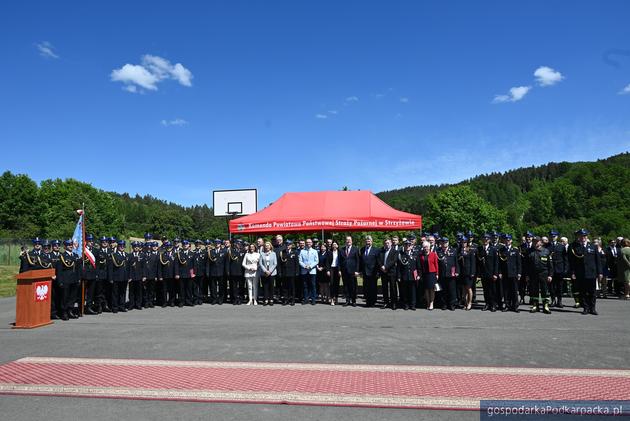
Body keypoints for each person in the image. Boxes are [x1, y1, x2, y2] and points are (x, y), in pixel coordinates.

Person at [569, 229, 602, 315]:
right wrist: (572, 272)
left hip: (591, 272)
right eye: (581, 236)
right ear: (578, 237)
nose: (583, 238)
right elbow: (572, 261)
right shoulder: (574, 247)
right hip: (580, 273)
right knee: (582, 292)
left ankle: (593, 308)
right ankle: (585, 308)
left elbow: (598, 260)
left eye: (584, 236)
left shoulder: (593, 246)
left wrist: (600, 273)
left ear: (587, 237)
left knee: (592, 292)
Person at [528, 237, 553, 314]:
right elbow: (527, 265)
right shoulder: (530, 251)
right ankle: (535, 305)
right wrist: (527, 275)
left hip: (544, 273)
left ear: (540, 242)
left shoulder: (546, 251)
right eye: (534, 241)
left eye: (537, 241)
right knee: (534, 290)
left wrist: (550, 275)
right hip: (533, 274)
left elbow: (550, 265)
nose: (535, 242)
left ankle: (545, 306)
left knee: (544, 290)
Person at [498, 234, 521, 313]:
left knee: (514, 291)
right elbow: (499, 263)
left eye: (508, 240)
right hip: (505, 273)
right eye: (505, 240)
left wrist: (519, 273)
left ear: (511, 241)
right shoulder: (501, 250)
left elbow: (519, 263)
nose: (507, 241)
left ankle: (515, 306)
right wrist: (500, 272)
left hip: (513, 273)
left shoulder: (515, 250)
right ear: (504, 241)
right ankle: (507, 305)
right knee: (506, 291)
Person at [478, 233, 500, 311]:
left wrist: (495, 274)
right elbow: (479, 262)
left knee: (493, 290)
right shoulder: (480, 249)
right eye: (484, 239)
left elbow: (496, 262)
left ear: (489, 240)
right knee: (486, 290)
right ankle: (487, 303)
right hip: (484, 273)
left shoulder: (493, 249)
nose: (485, 240)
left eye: (487, 239)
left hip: (491, 273)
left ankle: (493, 304)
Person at [436, 237, 458, 311]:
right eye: (443, 242)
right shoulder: (438, 251)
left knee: (452, 290)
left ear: (448, 243)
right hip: (442, 273)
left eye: (445, 242)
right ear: (441, 243)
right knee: (443, 290)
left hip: (451, 273)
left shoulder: (453, 250)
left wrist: (457, 271)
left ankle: (452, 304)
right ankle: (444, 304)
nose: (444, 244)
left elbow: (456, 262)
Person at [398, 240, 420, 310]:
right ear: (404, 246)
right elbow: (399, 267)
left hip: (413, 276)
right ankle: (406, 304)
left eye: (409, 245)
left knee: (413, 291)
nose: (407, 246)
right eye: (406, 245)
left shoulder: (415, 254)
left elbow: (418, 266)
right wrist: (399, 276)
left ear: (411, 246)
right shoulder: (401, 255)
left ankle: (413, 305)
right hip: (404, 276)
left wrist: (419, 274)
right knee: (405, 291)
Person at [548, 230, 568, 308]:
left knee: (560, 286)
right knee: (551, 286)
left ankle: (559, 301)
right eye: (551, 236)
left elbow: (565, 258)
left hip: (559, 269)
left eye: (554, 236)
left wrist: (565, 269)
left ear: (557, 237)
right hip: (550, 269)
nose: (552, 238)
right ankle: (553, 300)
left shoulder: (561, 246)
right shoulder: (547, 246)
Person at [339, 236, 360, 306]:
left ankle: (353, 301)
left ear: (352, 241)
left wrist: (357, 270)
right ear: (345, 241)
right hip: (344, 271)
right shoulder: (342, 249)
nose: (348, 241)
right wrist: (339, 270)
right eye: (347, 240)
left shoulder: (356, 249)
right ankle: (347, 300)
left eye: (349, 240)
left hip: (353, 271)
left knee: (353, 286)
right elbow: (339, 261)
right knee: (346, 286)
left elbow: (358, 261)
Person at [378, 238, 398, 309]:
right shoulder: (381, 251)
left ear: (391, 243)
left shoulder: (395, 251)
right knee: (384, 288)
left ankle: (394, 303)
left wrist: (386, 267)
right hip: (383, 273)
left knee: (393, 288)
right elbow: (379, 260)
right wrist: (381, 267)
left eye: (388, 243)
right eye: (385, 243)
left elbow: (393, 261)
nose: (387, 244)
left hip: (391, 272)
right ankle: (386, 302)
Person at [360, 236, 380, 307]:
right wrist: (360, 271)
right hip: (365, 272)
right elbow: (361, 262)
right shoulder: (362, 249)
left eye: (369, 241)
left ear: (372, 242)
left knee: (373, 288)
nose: (367, 242)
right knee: (366, 288)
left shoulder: (376, 250)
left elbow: (378, 262)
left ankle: (373, 302)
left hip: (373, 273)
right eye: (366, 241)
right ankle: (368, 302)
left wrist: (378, 272)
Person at [174, 240, 195, 307]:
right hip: (181, 274)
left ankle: (189, 301)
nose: (185, 245)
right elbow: (176, 265)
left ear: (188, 245)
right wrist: (177, 274)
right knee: (181, 289)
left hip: (189, 274)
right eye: (184, 244)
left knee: (189, 289)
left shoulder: (192, 253)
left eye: (186, 244)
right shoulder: (179, 253)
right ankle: (182, 301)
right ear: (182, 245)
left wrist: (193, 273)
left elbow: (194, 265)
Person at [419, 241, 439, 310]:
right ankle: (427, 302)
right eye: (424, 247)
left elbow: (436, 265)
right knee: (426, 289)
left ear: (429, 247)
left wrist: (437, 274)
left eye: (427, 247)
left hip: (432, 274)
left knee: (432, 289)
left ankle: (431, 303)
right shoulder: (421, 255)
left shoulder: (433, 254)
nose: (426, 248)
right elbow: (420, 266)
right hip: (425, 274)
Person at [457, 236, 476, 311]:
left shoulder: (470, 250)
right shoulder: (459, 250)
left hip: (469, 272)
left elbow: (473, 262)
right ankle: (465, 303)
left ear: (467, 243)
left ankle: (470, 303)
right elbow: (457, 260)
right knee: (464, 289)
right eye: (462, 242)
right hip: (462, 272)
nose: (463, 243)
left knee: (469, 288)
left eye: (464, 242)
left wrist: (472, 272)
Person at [299, 238, 319, 305]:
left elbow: (316, 261)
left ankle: (313, 299)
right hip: (304, 271)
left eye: (309, 242)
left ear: (312, 243)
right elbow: (300, 261)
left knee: (313, 285)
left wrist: (310, 266)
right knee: (305, 286)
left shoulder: (315, 251)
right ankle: (306, 299)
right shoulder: (302, 251)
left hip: (312, 271)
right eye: (307, 242)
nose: (308, 243)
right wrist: (305, 266)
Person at [127, 241, 146, 310]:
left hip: (139, 276)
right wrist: (129, 277)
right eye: (135, 246)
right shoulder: (129, 255)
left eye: (137, 246)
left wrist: (144, 276)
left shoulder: (142, 255)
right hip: (131, 277)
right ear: (132, 247)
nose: (136, 248)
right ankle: (131, 304)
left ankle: (138, 304)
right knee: (131, 292)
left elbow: (144, 267)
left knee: (139, 291)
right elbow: (128, 267)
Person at [208, 239, 227, 304]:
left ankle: (221, 299)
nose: (217, 244)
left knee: (221, 287)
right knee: (213, 287)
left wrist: (226, 271)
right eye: (215, 243)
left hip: (221, 272)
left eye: (218, 243)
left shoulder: (224, 251)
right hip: (213, 272)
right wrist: (208, 272)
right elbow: (208, 263)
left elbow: (226, 263)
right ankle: (214, 299)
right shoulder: (211, 252)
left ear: (220, 244)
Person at [280, 240, 299, 305]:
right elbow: (280, 263)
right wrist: (280, 272)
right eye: (287, 245)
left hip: (292, 272)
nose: (288, 246)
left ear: (291, 245)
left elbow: (296, 263)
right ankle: (286, 299)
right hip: (284, 272)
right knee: (285, 287)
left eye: (289, 245)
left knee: (292, 287)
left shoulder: (295, 252)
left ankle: (292, 299)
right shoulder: (282, 252)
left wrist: (297, 272)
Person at [259, 241, 277, 305]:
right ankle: (265, 299)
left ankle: (271, 299)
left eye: (268, 245)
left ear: (270, 246)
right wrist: (265, 271)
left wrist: (270, 271)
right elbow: (260, 263)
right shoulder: (262, 253)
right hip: (264, 273)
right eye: (266, 246)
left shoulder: (273, 253)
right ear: (264, 247)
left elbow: (275, 263)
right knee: (265, 286)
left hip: (272, 273)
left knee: (271, 286)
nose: (267, 247)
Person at [158, 241, 175, 307]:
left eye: (170, 246)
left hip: (172, 275)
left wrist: (176, 274)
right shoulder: (162, 254)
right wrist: (160, 276)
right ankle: (164, 302)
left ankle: (171, 302)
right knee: (164, 290)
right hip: (164, 275)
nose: (169, 248)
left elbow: (176, 266)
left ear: (172, 247)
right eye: (167, 247)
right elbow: (160, 267)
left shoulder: (175, 254)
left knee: (172, 290)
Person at [228, 240, 245, 305]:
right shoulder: (231, 251)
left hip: (241, 272)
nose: (238, 245)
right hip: (233, 271)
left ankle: (240, 298)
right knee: (234, 286)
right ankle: (235, 299)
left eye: (239, 244)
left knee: (241, 286)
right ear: (235, 244)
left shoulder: (243, 251)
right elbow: (228, 262)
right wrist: (228, 271)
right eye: (237, 243)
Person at [144, 241, 160, 308]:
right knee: (145, 290)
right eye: (147, 247)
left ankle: (151, 302)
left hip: (152, 275)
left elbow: (156, 266)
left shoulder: (155, 256)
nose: (149, 248)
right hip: (145, 276)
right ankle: (146, 302)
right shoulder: (143, 255)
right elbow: (142, 267)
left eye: (150, 247)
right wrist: (143, 275)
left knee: (152, 290)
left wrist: (156, 276)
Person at [326, 241, 341, 306]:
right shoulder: (329, 252)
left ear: (337, 245)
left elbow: (341, 262)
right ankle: (332, 299)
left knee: (337, 284)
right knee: (332, 284)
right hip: (331, 269)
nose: (334, 246)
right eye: (333, 245)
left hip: (337, 269)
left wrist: (340, 270)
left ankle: (336, 299)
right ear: (332, 246)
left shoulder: (340, 252)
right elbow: (327, 262)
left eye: (335, 244)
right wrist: (328, 270)